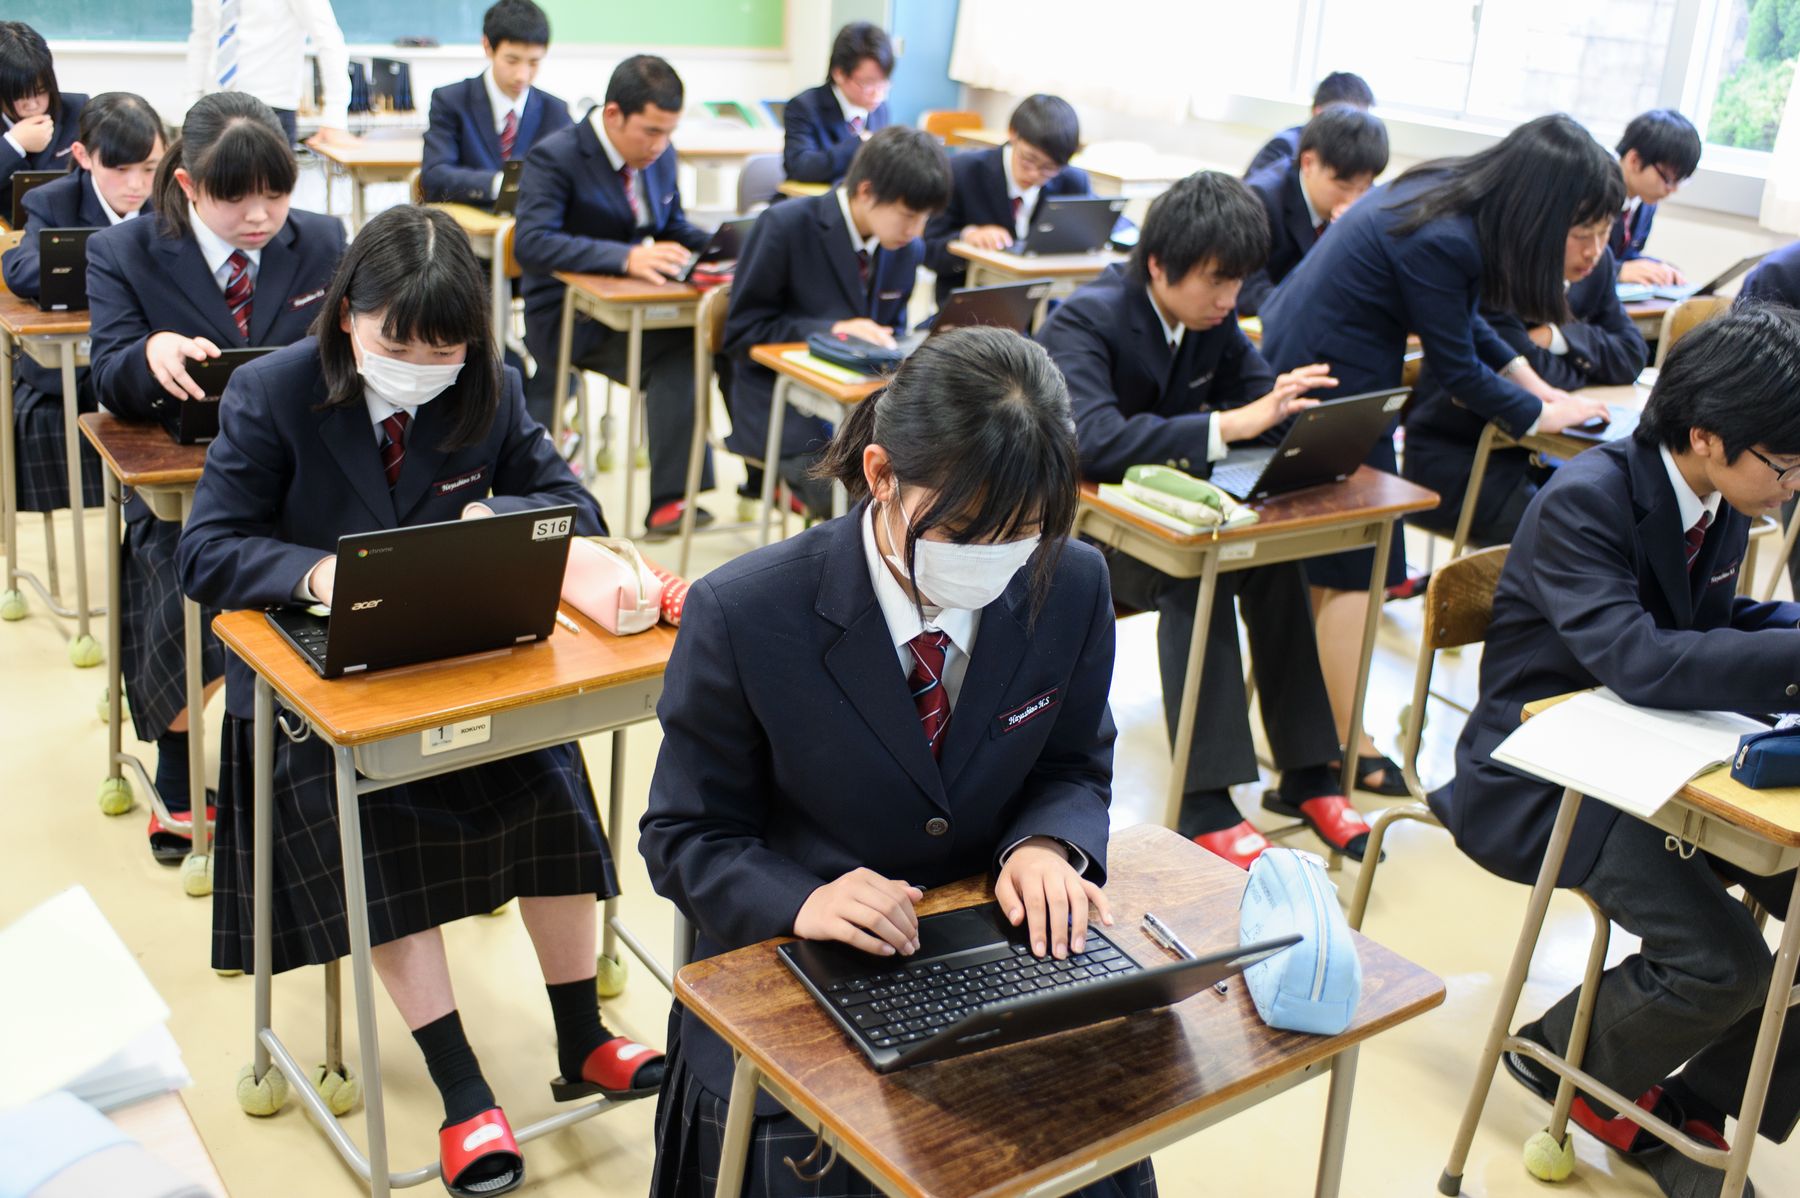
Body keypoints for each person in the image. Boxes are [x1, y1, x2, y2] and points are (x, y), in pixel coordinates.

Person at [177, 205, 663, 1198]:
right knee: (376, 824)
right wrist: (315, 575)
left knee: (552, 782)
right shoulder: (274, 392)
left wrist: (497, 513)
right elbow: (207, 550)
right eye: (398, 346)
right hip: (320, 690)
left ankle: (582, 1035)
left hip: (459, 657)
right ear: (347, 315)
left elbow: (577, 507)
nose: (421, 368)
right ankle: (461, 1086)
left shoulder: (490, 386)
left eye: (444, 350)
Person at [640, 325, 1156, 1198]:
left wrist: (1045, 846)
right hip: (805, 968)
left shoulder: (1069, 582)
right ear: (880, 474)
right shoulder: (747, 612)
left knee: (1105, 1146)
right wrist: (801, 898)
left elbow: (1073, 764)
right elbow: (685, 834)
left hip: (993, 955)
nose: (994, 561)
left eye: (1024, 532)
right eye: (963, 531)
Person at [1433, 306, 1800, 1198]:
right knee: (1726, 963)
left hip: (1655, 757)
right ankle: (1569, 1061)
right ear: (1707, 436)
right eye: (1786, 465)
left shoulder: (1716, 495)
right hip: (1546, 772)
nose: (1794, 485)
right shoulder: (1588, 498)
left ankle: (1694, 1103)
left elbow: (1709, 624)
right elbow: (1641, 660)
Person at [1261, 113, 1615, 797]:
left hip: (1340, 375)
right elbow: (1454, 366)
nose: (1588, 249)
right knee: (1355, 567)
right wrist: (1540, 414)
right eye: (1581, 230)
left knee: (1350, 568)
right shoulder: (1446, 234)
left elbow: (1466, 321)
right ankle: (1342, 746)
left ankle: (1326, 739)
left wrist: (1536, 386)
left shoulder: (1454, 201)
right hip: (1328, 382)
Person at [1037, 171, 1369, 868]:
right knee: (1198, 580)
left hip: (1173, 517)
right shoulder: (1086, 319)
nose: (1228, 299)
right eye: (1217, 281)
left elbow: (1259, 402)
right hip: (1090, 533)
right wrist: (1228, 426)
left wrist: (1295, 419)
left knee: (1275, 563)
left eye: (1238, 282)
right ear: (1160, 264)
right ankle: (1206, 800)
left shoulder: (1212, 324)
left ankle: (1308, 771)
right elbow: (1093, 439)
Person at [86, 92, 347, 862]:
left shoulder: (323, 239)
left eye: (277, 193)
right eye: (236, 197)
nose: (260, 216)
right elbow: (108, 375)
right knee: (181, 574)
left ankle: (323, 747)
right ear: (189, 185)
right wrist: (148, 355)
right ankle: (177, 757)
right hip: (189, 479)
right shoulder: (126, 250)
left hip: (301, 477)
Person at [515, 54, 713, 538]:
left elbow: (672, 224)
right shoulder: (555, 156)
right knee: (683, 352)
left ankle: (675, 499)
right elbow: (532, 242)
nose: (659, 145)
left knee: (699, 347)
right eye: (650, 131)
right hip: (570, 317)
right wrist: (625, 258)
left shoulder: (660, 155)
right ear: (613, 115)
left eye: (668, 133)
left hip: (639, 307)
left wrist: (721, 247)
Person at [722, 125, 950, 511]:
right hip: (783, 405)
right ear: (866, 191)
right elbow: (743, 331)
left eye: (926, 217)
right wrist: (832, 332)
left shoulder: (905, 248)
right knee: (866, 507)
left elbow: (890, 330)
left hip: (862, 407)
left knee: (932, 489)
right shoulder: (785, 225)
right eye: (909, 215)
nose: (916, 230)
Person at [1404, 230, 1648, 545]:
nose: (1595, 250)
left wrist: (1557, 338)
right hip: (1464, 462)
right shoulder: (1502, 269)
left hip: (1543, 461)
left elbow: (1632, 355)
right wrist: (1587, 367)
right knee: (1576, 536)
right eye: (1583, 235)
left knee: (1621, 517)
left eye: (1604, 233)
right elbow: (1531, 373)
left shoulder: (1596, 267)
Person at [1, 92, 162, 515]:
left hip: (146, 357)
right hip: (76, 367)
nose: (137, 184)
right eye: (121, 169)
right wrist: (107, 266)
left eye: (150, 168)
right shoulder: (54, 199)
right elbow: (20, 269)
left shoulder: (172, 199)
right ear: (83, 156)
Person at [922, 92, 1092, 304]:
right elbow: (929, 249)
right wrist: (967, 236)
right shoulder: (964, 172)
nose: (1035, 174)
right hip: (973, 302)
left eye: (1048, 168)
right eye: (1029, 159)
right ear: (1013, 133)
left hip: (1044, 303)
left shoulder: (1072, 182)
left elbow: (1099, 230)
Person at [1239, 103, 1388, 317]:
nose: (1354, 199)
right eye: (1344, 187)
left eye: (1364, 188)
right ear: (1308, 163)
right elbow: (1248, 289)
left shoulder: (1365, 203)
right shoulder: (1260, 201)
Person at [420, 0, 572, 207]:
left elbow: (570, 177)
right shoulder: (451, 101)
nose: (522, 75)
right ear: (487, 46)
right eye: (512, 61)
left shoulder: (555, 111)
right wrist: (501, 185)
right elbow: (435, 176)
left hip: (530, 223)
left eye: (534, 63)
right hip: (469, 220)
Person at [185, 0, 354, 148]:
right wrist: (189, 106)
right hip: (213, 108)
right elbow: (201, 38)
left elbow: (327, 37)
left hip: (271, 109)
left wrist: (335, 118)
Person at [783, 21, 894, 185]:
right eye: (868, 83)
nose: (878, 94)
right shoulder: (804, 107)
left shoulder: (880, 110)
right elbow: (800, 167)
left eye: (883, 83)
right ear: (839, 73)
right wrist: (860, 143)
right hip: (816, 198)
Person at [0, 21, 86, 219]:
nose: (32, 104)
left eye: (40, 91)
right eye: (19, 95)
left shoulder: (78, 110)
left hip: (62, 228)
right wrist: (13, 144)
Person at [1612, 109, 1702, 288]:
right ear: (1634, 160)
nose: (1673, 190)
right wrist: (1618, 270)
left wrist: (1658, 268)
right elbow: (1565, 255)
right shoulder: (1590, 190)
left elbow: (1626, 254)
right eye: (1668, 179)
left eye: (1680, 181)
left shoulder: (1646, 201)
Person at [1243, 70, 1373, 177]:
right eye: (1348, 120)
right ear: (1318, 113)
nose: (1356, 128)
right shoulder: (1285, 147)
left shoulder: (1357, 154)